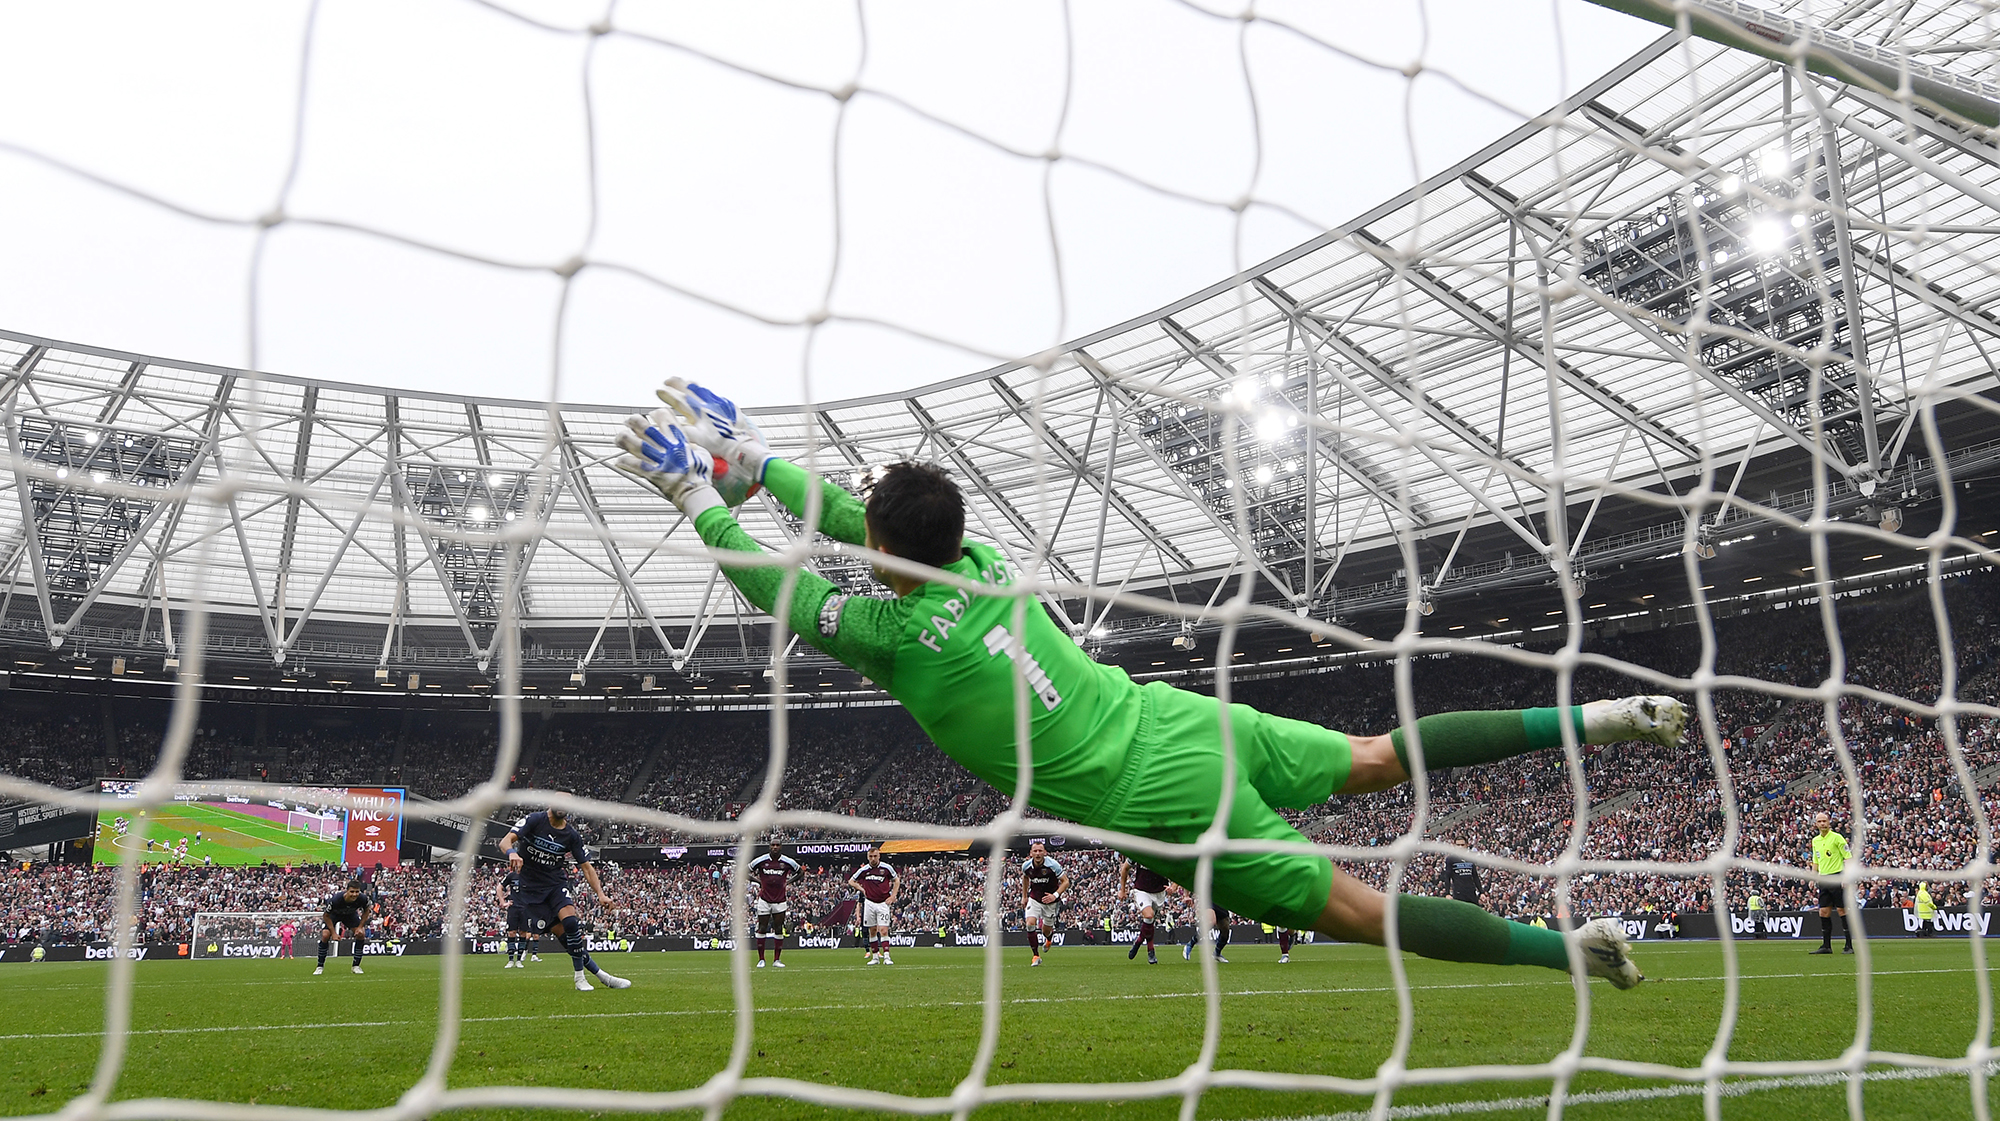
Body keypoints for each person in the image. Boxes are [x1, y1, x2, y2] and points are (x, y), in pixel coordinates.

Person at [614, 382, 1686, 991]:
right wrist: (758, 461)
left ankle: (1568, 953)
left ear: (889, 548)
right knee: (1376, 756)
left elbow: (776, 581)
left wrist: (703, 499)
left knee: (1365, 911)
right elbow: (858, 520)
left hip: (1157, 803)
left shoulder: (892, 637)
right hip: (1174, 717)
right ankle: (1596, 713)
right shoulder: (981, 560)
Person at [498, 808, 632, 991]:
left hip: (555, 885)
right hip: (531, 891)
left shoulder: (571, 835)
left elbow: (587, 867)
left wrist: (600, 894)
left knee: (571, 923)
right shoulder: (534, 820)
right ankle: (603, 976)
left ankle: (580, 978)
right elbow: (505, 841)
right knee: (566, 939)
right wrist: (511, 853)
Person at [749, 840, 803, 968]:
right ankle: (761, 959)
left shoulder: (787, 861)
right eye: (773, 845)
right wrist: (758, 881)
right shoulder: (761, 860)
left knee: (778, 928)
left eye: (777, 845)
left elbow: (800, 872)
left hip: (780, 900)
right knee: (762, 927)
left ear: (781, 847)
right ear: (769, 847)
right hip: (764, 900)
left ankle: (776, 960)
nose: (775, 847)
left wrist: (789, 882)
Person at [1809, 812, 1854, 955]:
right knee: (1823, 911)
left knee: (1842, 910)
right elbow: (1816, 860)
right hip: (1824, 879)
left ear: (1829, 822)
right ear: (1816, 824)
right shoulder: (1815, 841)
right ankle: (1826, 946)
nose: (1822, 823)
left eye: (1824, 821)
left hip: (1837, 876)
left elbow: (1848, 858)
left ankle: (1849, 945)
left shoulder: (1837, 838)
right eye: (1819, 821)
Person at [848, 846, 899, 964]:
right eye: (870, 856)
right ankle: (875, 957)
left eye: (875, 856)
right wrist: (862, 889)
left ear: (879, 856)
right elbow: (851, 881)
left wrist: (893, 896)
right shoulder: (864, 870)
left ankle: (887, 956)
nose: (873, 858)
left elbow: (896, 880)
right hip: (869, 903)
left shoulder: (886, 868)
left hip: (883, 902)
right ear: (867, 857)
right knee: (872, 930)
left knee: (884, 930)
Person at [1021, 842, 1068, 967]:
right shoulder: (1026, 866)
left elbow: (1065, 882)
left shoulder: (1053, 865)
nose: (1037, 853)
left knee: (1046, 930)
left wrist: (1055, 895)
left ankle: (1049, 939)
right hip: (1034, 898)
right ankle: (1036, 956)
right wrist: (1024, 896)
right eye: (1035, 851)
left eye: (1040, 851)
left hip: (1050, 901)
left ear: (1045, 853)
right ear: (1031, 853)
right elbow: (1025, 878)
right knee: (1030, 923)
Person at [1118, 857, 1168, 964]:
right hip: (1142, 890)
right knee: (1149, 915)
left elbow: (1178, 871)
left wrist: (1173, 887)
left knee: (1149, 922)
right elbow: (1125, 868)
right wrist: (1122, 890)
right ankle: (1151, 950)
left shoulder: (1165, 852)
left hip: (1159, 893)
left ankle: (1139, 941)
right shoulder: (1138, 851)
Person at [316, 879, 371, 975]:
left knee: (361, 934)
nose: (354, 894)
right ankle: (320, 966)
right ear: (347, 891)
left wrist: (360, 927)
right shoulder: (336, 899)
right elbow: (326, 915)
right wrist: (333, 933)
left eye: (357, 892)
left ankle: (356, 966)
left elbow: (367, 911)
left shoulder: (363, 898)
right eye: (352, 892)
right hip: (333, 915)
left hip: (350, 915)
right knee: (325, 935)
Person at [497, 867, 532, 968]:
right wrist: (503, 902)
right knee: (511, 932)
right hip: (513, 908)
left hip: (525, 908)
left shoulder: (530, 876)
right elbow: (499, 887)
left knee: (523, 933)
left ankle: (519, 960)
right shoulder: (512, 876)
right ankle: (511, 959)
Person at [1443, 843, 1483, 909]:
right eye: (1458, 845)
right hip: (1458, 892)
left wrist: (1481, 892)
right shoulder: (1451, 859)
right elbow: (1447, 877)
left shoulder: (1470, 858)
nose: (1460, 847)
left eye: (1462, 845)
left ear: (1466, 845)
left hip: (1471, 892)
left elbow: (1475, 876)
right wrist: (1447, 893)